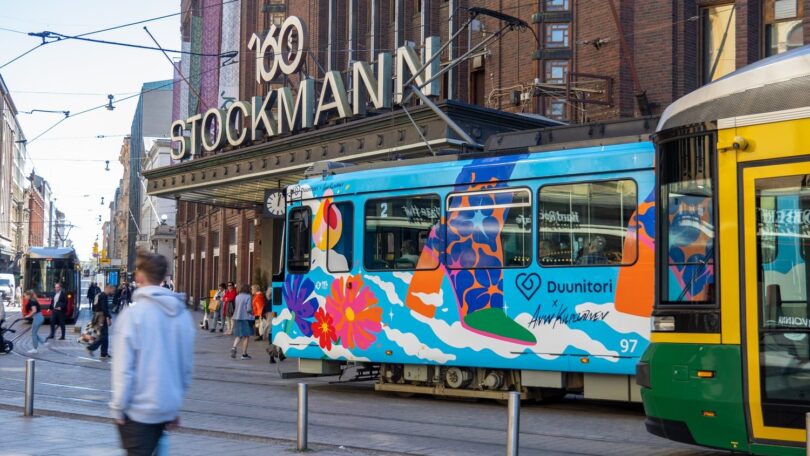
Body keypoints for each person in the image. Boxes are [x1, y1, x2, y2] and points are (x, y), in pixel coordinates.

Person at [111, 249, 195, 456]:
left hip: (138, 411)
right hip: (166, 409)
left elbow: (124, 369)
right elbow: (185, 368)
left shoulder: (133, 316)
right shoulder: (181, 314)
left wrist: (118, 407)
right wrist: (173, 405)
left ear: (139, 276)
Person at [86, 285, 114, 358]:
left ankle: (104, 353)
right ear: (108, 289)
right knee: (103, 336)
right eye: (112, 290)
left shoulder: (100, 295)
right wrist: (108, 318)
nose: (113, 292)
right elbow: (104, 308)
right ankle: (90, 348)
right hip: (101, 318)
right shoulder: (103, 296)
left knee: (105, 335)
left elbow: (95, 307)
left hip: (99, 317)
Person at [230, 284, 254, 360]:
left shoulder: (237, 296)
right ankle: (244, 354)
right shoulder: (248, 297)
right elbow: (248, 309)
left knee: (239, 335)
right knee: (246, 336)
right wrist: (252, 313)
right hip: (244, 318)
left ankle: (234, 347)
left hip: (236, 317)